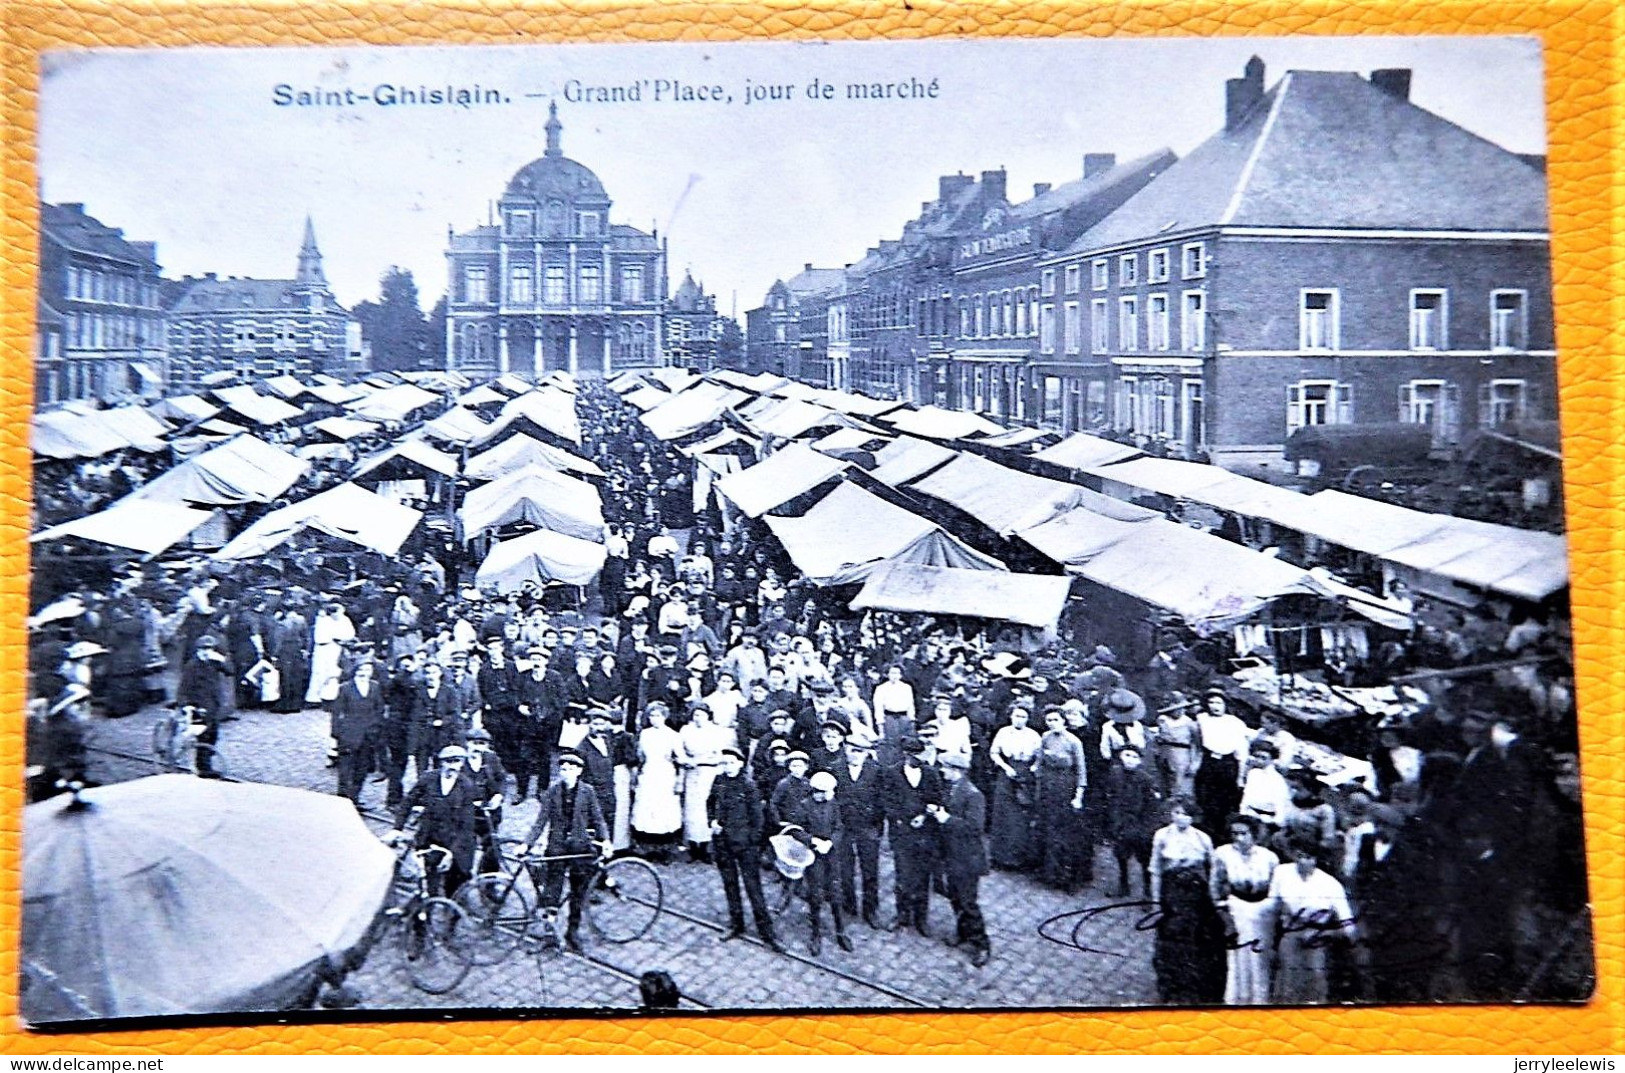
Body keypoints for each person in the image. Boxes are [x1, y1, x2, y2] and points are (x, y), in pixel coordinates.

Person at [518, 749, 611, 954]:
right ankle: (549, 935)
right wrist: (527, 843)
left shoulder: (587, 792)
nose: (565, 772)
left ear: (578, 771)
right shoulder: (552, 792)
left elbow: (598, 819)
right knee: (552, 892)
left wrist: (605, 840)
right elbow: (540, 821)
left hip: (579, 849)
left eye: (570, 769)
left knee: (578, 892)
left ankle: (573, 932)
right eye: (562, 769)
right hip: (557, 848)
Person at [1149, 797, 1226, 1004]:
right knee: (1169, 939)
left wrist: (1213, 898)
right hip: (1171, 892)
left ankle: (1192, 985)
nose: (1181, 818)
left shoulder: (1202, 838)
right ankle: (1169, 985)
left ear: (1193, 817)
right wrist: (1156, 902)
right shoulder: (1162, 836)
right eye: (1177, 813)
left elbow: (1213, 871)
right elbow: (1155, 869)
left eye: (1186, 814)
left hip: (1195, 895)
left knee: (1194, 940)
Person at [707, 746, 783, 952]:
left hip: (745, 846)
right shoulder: (719, 781)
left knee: (753, 888)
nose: (727, 767)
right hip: (723, 843)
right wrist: (712, 821)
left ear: (740, 764)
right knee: (730, 885)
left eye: (731, 763)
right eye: (724, 763)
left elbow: (758, 819)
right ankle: (736, 925)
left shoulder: (748, 785)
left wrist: (752, 843)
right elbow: (710, 803)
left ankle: (767, 932)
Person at [1268, 835, 1356, 1004]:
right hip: (1289, 934)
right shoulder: (1281, 872)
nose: (1302, 862)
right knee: (1288, 980)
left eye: (1308, 858)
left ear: (1316, 859)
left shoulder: (1330, 884)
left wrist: (1325, 934)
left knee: (1315, 979)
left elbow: (1349, 926)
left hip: (1318, 937)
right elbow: (1272, 906)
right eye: (1299, 856)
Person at [391, 745, 479, 898]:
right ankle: (427, 912)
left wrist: (451, 853)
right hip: (431, 837)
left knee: (455, 885)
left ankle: (454, 912)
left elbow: (467, 825)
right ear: (441, 762)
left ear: (462, 763)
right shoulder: (428, 778)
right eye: (447, 761)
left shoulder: (467, 786)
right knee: (429, 882)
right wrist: (397, 828)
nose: (452, 766)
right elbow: (408, 801)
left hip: (456, 841)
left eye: (456, 761)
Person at [1211, 813, 1280, 1005]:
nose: (1238, 839)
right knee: (1238, 958)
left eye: (1243, 833)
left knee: (1261, 959)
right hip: (1237, 908)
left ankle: (1261, 1001)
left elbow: (1276, 888)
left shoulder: (1269, 857)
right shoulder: (1222, 854)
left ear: (1254, 835)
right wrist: (1226, 919)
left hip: (1263, 911)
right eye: (1234, 834)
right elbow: (1216, 887)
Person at [931, 751, 992, 967]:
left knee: (968, 902)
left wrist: (946, 819)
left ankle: (982, 943)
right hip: (952, 855)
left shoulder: (973, 794)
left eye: (945, 767)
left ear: (956, 770)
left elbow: (975, 827)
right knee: (955, 897)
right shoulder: (951, 787)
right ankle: (963, 933)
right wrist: (938, 812)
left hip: (968, 859)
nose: (942, 770)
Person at [882, 739, 942, 937]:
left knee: (923, 877)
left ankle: (921, 918)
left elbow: (937, 798)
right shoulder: (892, 773)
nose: (919, 760)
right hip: (902, 834)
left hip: (925, 833)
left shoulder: (930, 773)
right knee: (903, 877)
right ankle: (902, 916)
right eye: (914, 756)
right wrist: (901, 820)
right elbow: (887, 802)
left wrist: (924, 815)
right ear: (906, 755)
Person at [789, 770, 851, 955]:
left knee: (836, 893)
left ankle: (840, 931)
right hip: (813, 856)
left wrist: (831, 842)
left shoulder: (833, 805)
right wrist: (813, 841)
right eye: (825, 792)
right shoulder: (804, 806)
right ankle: (815, 934)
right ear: (817, 791)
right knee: (815, 896)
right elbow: (795, 830)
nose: (828, 795)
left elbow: (839, 827)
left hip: (831, 856)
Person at [1034, 707, 1088, 892]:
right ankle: (1050, 873)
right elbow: (1039, 762)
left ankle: (1068, 878)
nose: (1052, 723)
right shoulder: (1045, 738)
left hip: (1067, 786)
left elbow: (1081, 771)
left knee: (1066, 834)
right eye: (1049, 720)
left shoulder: (1074, 741)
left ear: (1064, 721)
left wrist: (1078, 796)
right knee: (1049, 831)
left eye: (1056, 719)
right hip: (1049, 787)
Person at [834, 739, 884, 929]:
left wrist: (875, 820)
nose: (855, 754)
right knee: (845, 869)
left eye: (859, 751)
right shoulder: (836, 768)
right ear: (846, 750)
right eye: (852, 750)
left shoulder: (875, 770)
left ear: (866, 753)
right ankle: (849, 904)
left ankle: (870, 909)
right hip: (845, 827)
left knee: (869, 870)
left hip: (867, 827)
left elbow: (882, 798)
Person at [1103, 744, 1162, 897]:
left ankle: (1148, 890)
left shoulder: (1146, 779)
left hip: (1140, 825)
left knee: (1144, 859)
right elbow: (1110, 799)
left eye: (1134, 757)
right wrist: (1113, 822)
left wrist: (1146, 829)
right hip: (1121, 823)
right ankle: (1123, 885)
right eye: (1126, 755)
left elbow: (1153, 807)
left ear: (1140, 761)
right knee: (1121, 855)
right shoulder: (1115, 774)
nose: (1130, 760)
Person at [987, 705, 1041, 870]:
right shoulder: (1003, 732)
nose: (1020, 719)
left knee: (1021, 816)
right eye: (1017, 716)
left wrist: (1033, 768)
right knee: (1003, 814)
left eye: (1023, 717)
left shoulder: (1033, 735)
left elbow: (1040, 756)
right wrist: (1005, 767)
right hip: (1007, 772)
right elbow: (994, 752)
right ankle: (1001, 857)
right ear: (1011, 716)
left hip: (1026, 774)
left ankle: (1020, 858)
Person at [631, 701, 684, 861]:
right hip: (649, 773)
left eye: (658, 716)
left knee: (664, 810)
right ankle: (649, 849)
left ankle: (665, 850)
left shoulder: (673, 735)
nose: (655, 719)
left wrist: (679, 780)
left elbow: (681, 759)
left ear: (665, 717)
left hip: (666, 774)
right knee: (648, 809)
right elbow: (640, 756)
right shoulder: (645, 734)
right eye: (652, 716)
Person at [1193, 689, 1250, 838]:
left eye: (1218, 702)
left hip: (1228, 763)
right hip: (1209, 761)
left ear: (1225, 704)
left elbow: (1241, 751)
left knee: (1225, 800)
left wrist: (1240, 776)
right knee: (1205, 798)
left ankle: (1222, 833)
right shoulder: (1202, 719)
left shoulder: (1235, 723)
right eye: (1211, 702)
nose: (1214, 706)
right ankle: (1206, 830)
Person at [678, 703, 731, 863]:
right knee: (692, 811)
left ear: (708, 715)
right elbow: (680, 752)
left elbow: (720, 755)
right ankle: (693, 847)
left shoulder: (716, 731)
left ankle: (707, 849)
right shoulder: (686, 730)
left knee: (707, 809)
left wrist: (701, 760)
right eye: (695, 715)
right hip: (692, 774)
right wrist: (687, 761)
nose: (698, 718)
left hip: (709, 773)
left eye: (701, 714)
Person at [330, 660, 384, 805]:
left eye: (368, 670)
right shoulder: (345, 688)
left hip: (368, 734)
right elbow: (336, 712)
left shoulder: (375, 687)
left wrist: (376, 728)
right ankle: (342, 798)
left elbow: (379, 709)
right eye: (362, 669)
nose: (365, 673)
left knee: (362, 768)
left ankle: (355, 797)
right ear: (355, 670)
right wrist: (336, 733)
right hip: (349, 734)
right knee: (346, 768)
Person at [464, 727, 508, 875]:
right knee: (464, 847)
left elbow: (502, 779)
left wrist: (499, 796)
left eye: (482, 744)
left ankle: (489, 881)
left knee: (492, 848)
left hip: (488, 812)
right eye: (475, 743)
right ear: (467, 744)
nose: (478, 748)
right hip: (465, 813)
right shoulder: (459, 761)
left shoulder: (492, 759)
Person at [306, 600, 356, 705]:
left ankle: (330, 698)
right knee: (319, 673)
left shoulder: (344, 620)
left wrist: (341, 638)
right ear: (332, 613)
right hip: (322, 650)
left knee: (333, 672)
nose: (340, 615)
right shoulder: (323, 620)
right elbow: (320, 637)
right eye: (338, 613)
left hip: (336, 649)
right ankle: (314, 699)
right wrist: (335, 636)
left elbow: (350, 633)